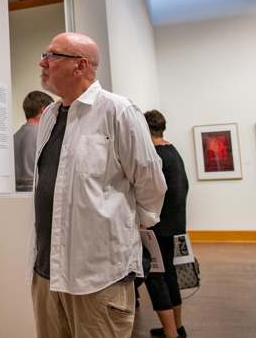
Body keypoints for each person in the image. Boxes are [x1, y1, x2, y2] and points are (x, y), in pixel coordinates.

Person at [30, 32, 166, 338]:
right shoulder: (50, 115)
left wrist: (121, 228)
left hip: (100, 277)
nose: (42, 62)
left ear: (80, 66)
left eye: (51, 55)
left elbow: (151, 184)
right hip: (47, 274)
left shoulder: (118, 111)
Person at [143, 109, 189, 338]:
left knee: (156, 276)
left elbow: (151, 190)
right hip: (173, 222)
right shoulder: (172, 150)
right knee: (168, 273)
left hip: (156, 225)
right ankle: (177, 327)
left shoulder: (154, 155)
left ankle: (170, 333)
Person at [13, 90, 53, 192]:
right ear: (44, 110)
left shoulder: (14, 137)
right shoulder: (45, 136)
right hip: (38, 195)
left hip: (15, 195)